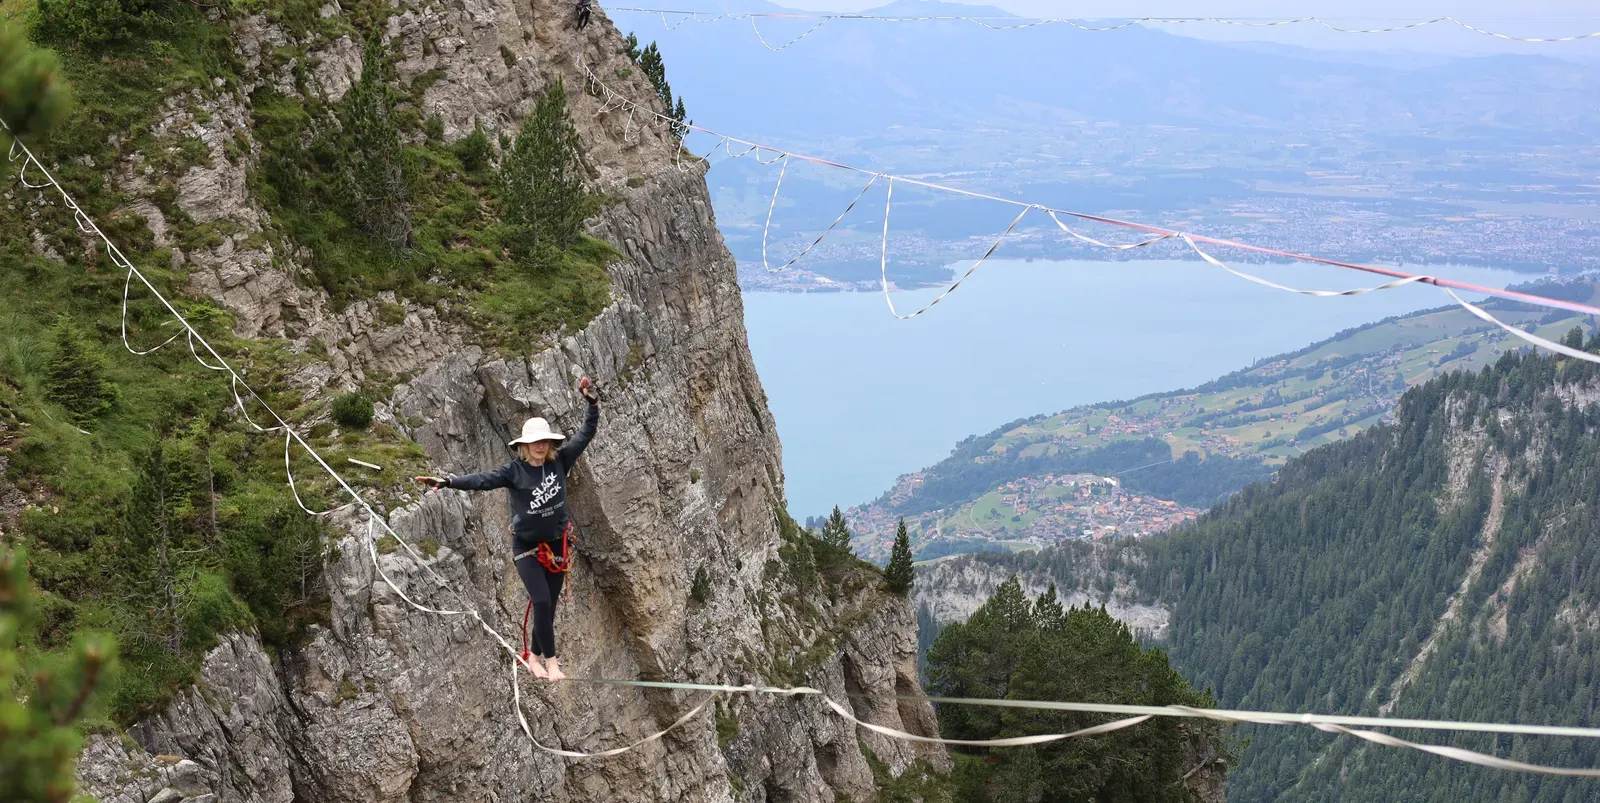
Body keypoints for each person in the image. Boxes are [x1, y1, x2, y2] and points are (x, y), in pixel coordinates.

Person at [414, 377, 600, 682]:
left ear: (551, 444)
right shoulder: (514, 471)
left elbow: (586, 433)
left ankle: (535, 658)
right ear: (525, 446)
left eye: (545, 442)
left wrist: (592, 404)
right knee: (540, 601)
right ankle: (552, 663)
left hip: (556, 548)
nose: (540, 446)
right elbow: (482, 480)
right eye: (534, 442)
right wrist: (448, 482)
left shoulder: (561, 461)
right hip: (527, 548)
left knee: (548, 607)